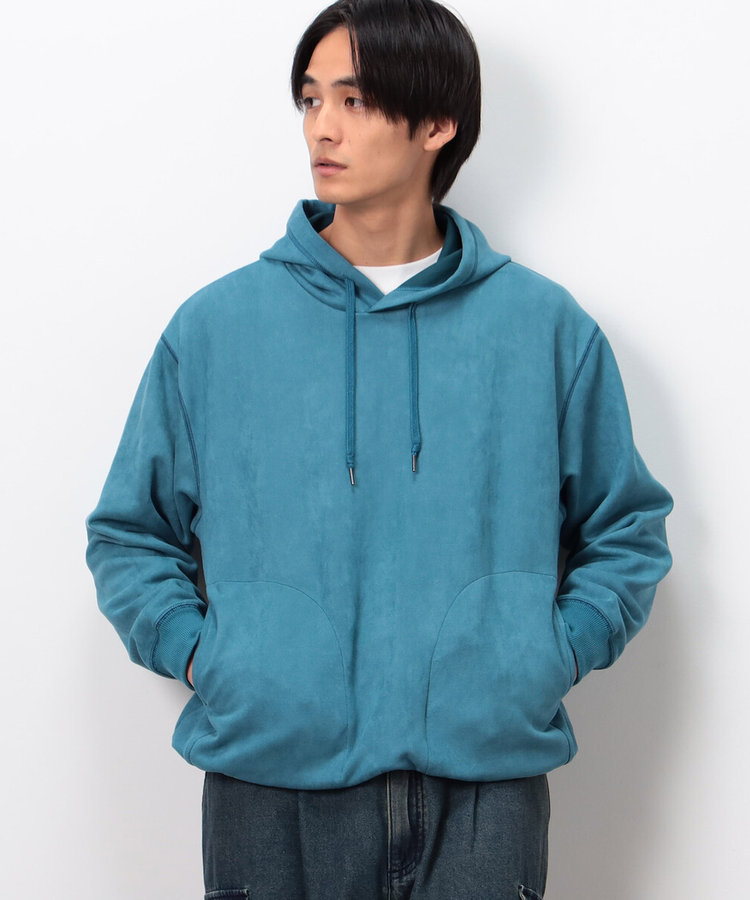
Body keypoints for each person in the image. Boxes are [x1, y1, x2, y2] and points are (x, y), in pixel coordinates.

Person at [85, 1, 673, 897]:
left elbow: (625, 530)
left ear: (438, 124)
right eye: (310, 99)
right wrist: (208, 658)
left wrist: (545, 655)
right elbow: (130, 534)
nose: (321, 127)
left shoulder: (545, 329)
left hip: (487, 792)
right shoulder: (215, 329)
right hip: (269, 785)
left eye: (354, 100)